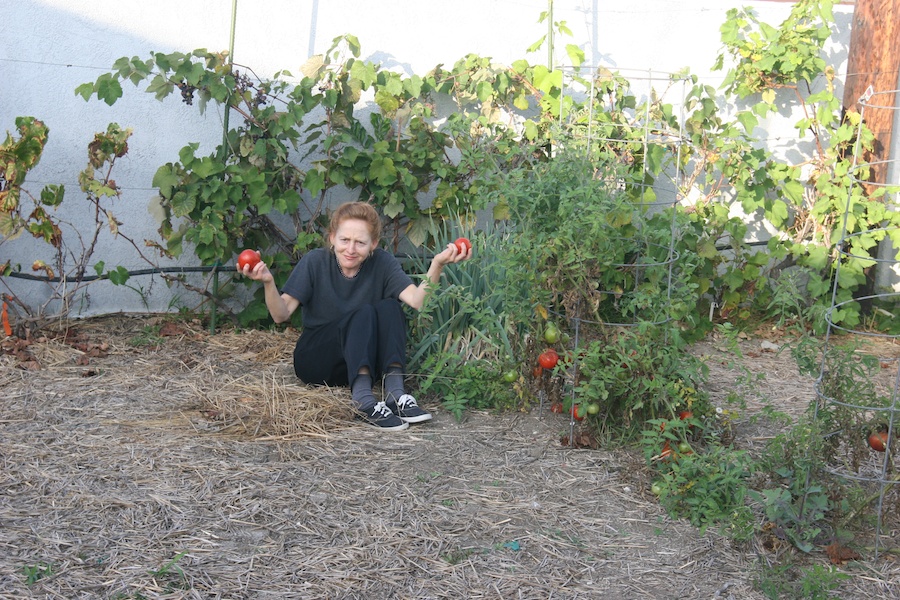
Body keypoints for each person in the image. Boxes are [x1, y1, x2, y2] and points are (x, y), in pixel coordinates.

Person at [240, 201, 471, 431]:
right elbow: (281, 315)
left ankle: (395, 395)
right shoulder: (315, 262)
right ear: (332, 238)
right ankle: (363, 401)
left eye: (360, 242)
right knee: (364, 313)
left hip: (363, 362)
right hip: (318, 360)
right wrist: (268, 282)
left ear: (373, 245)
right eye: (344, 240)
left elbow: (418, 301)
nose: (350, 249)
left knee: (391, 307)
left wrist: (438, 265)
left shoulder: (382, 262)